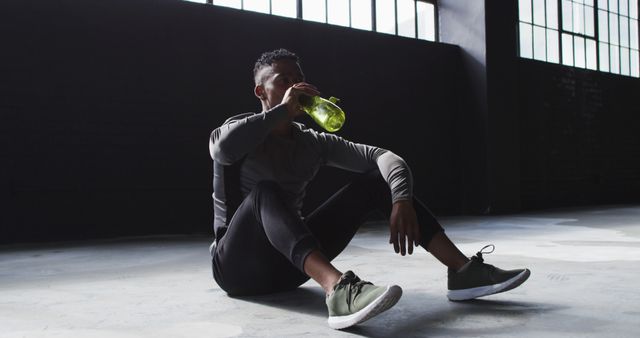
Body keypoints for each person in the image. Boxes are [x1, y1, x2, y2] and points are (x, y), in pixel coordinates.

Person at [208, 48, 530, 330]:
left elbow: (384, 157)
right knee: (266, 191)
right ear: (260, 91)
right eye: (282, 80)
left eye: (299, 78)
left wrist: (400, 199)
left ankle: (463, 271)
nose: (294, 86)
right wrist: (282, 111)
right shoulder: (238, 129)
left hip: (289, 268)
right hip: (236, 268)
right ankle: (337, 290)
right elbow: (223, 151)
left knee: (375, 180)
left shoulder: (313, 142)